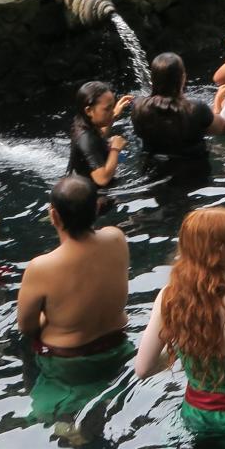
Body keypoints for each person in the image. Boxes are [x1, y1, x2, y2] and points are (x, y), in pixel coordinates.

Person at [134, 206, 225, 448]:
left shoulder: (168, 297)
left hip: (196, 417)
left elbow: (143, 368)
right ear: (221, 250)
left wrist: (180, 353)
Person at [16, 175, 134, 424]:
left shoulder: (42, 267)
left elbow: (26, 327)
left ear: (54, 216)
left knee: (49, 415)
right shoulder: (116, 237)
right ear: (96, 208)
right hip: (118, 349)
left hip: (67, 365)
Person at [128, 52, 213, 186]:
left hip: (153, 174)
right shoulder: (196, 108)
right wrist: (219, 102)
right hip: (194, 174)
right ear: (182, 77)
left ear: (153, 79)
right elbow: (220, 127)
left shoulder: (138, 107)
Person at [66, 81, 130, 188]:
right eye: (107, 109)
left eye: (112, 106)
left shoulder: (82, 123)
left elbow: (99, 137)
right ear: (89, 110)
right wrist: (115, 149)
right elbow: (102, 179)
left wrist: (113, 115)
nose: (112, 111)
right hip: (87, 194)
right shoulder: (85, 138)